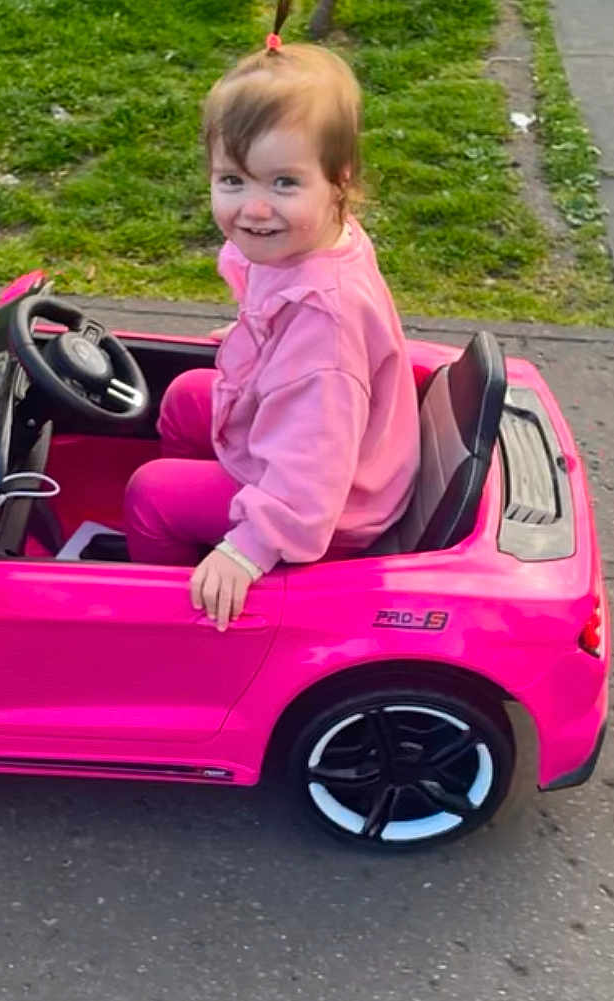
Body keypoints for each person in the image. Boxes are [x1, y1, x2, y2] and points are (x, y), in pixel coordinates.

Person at [122, 7, 421, 631]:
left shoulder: (322, 328)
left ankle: (177, 619)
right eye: (232, 180)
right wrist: (254, 337)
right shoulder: (310, 241)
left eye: (283, 183)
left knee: (152, 494)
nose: (254, 209)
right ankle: (209, 536)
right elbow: (286, 342)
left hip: (331, 506)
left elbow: (314, 462)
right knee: (184, 399)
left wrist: (251, 544)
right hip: (318, 450)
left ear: (338, 182)